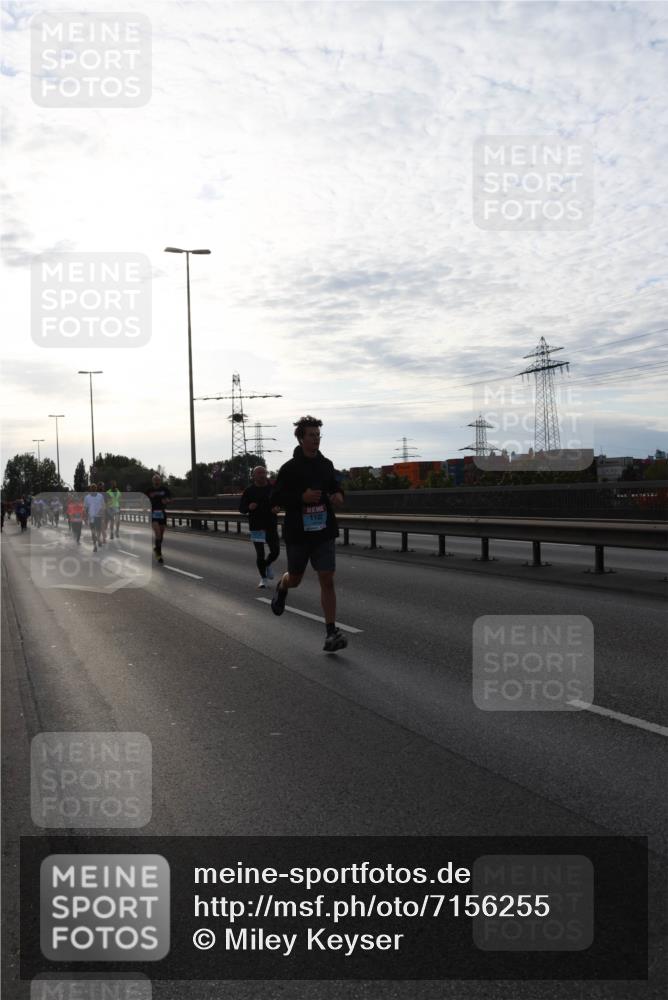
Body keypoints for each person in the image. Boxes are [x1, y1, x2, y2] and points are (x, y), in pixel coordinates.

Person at [270, 415, 347, 653]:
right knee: (295, 579)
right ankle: (282, 588)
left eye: (318, 435)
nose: (316, 439)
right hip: (298, 533)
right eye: (311, 435)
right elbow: (276, 499)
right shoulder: (289, 469)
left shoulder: (326, 465)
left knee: (327, 578)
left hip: (323, 531)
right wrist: (300, 498)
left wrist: (338, 496)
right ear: (301, 438)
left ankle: (331, 632)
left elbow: (336, 488)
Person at [239, 466, 281, 588]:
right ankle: (263, 579)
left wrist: (277, 508)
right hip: (256, 526)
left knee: (275, 551)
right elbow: (241, 509)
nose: (262, 475)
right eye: (259, 473)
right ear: (253, 476)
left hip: (270, 524)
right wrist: (248, 507)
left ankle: (267, 564)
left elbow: (279, 503)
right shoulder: (249, 491)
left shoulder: (272, 489)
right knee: (260, 554)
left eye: (264, 472)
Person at [145, 474, 172, 563]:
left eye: (158, 480)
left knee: (161, 534)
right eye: (155, 480)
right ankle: (159, 554)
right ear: (153, 481)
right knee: (158, 534)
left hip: (162, 513)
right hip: (153, 514)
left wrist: (167, 501)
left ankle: (156, 548)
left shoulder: (164, 490)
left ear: (160, 481)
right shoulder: (149, 490)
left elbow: (170, 499)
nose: (157, 481)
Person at [83, 483, 105, 552]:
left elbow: (103, 506)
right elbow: (85, 508)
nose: (93, 490)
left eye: (94, 488)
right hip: (91, 517)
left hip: (99, 516)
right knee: (93, 532)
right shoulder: (87, 498)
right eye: (92, 489)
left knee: (98, 531)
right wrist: (85, 518)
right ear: (90, 489)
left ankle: (98, 540)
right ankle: (95, 545)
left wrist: (102, 513)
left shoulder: (100, 496)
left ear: (96, 489)